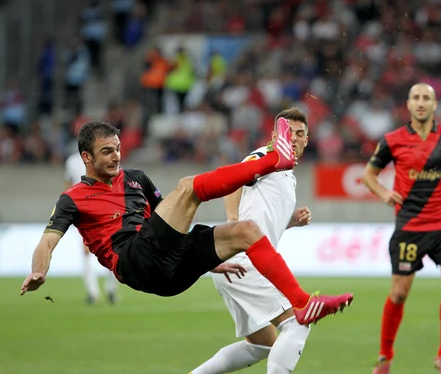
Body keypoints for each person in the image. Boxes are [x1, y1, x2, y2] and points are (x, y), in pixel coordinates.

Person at [21, 118, 353, 327]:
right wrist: (39, 272)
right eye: (107, 151)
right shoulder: (73, 198)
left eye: (118, 149)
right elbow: (47, 241)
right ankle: (273, 160)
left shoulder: (136, 178)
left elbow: (169, 219)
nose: (116, 157)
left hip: (170, 275)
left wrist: (209, 262)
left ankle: (303, 303)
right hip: (133, 260)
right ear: (86, 157)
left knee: (245, 233)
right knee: (188, 187)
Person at [362, 83, 441, 374]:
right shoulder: (393, 140)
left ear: (435, 104)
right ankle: (385, 357)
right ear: (409, 104)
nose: (421, 103)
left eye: (427, 98)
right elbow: (369, 175)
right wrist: (385, 193)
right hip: (409, 227)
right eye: (416, 98)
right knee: (399, 293)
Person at [191, 107, 314, 374]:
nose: (293, 138)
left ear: (307, 140)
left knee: (262, 345)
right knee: (299, 321)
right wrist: (233, 221)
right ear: (275, 135)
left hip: (235, 262)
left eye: (300, 134)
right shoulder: (267, 156)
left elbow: (261, 219)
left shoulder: (286, 175)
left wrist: (290, 221)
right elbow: (233, 177)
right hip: (245, 260)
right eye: (288, 132)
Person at [65, 151, 119, 304]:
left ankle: (111, 289)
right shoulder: (72, 160)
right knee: (86, 251)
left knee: (111, 250)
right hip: (82, 212)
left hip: (104, 210)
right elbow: (68, 186)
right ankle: (93, 293)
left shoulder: (105, 156)